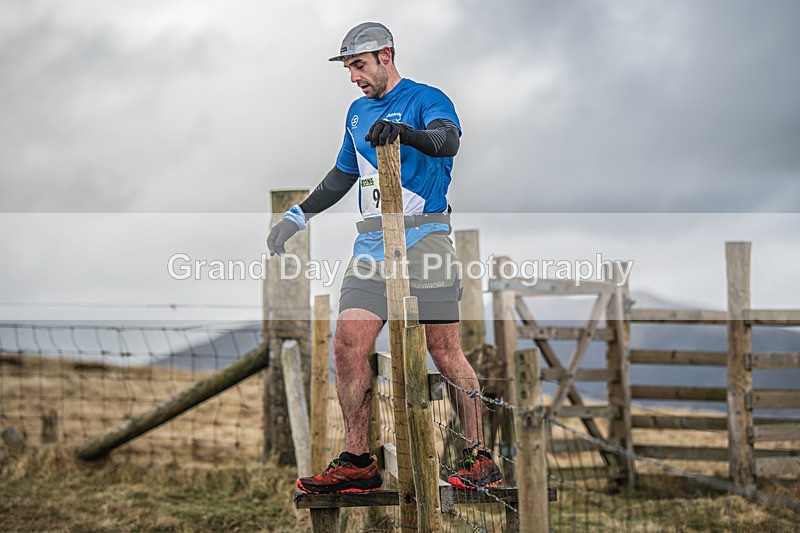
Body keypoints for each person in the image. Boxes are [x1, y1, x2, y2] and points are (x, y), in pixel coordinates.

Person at [267, 22, 501, 494]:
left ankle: (479, 457)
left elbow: (447, 140)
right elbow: (341, 175)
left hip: (426, 241)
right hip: (371, 248)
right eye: (349, 68)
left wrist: (404, 133)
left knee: (444, 350)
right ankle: (357, 459)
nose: (353, 77)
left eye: (358, 65)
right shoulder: (355, 114)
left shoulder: (426, 97)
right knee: (347, 343)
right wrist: (297, 216)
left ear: (385, 56)